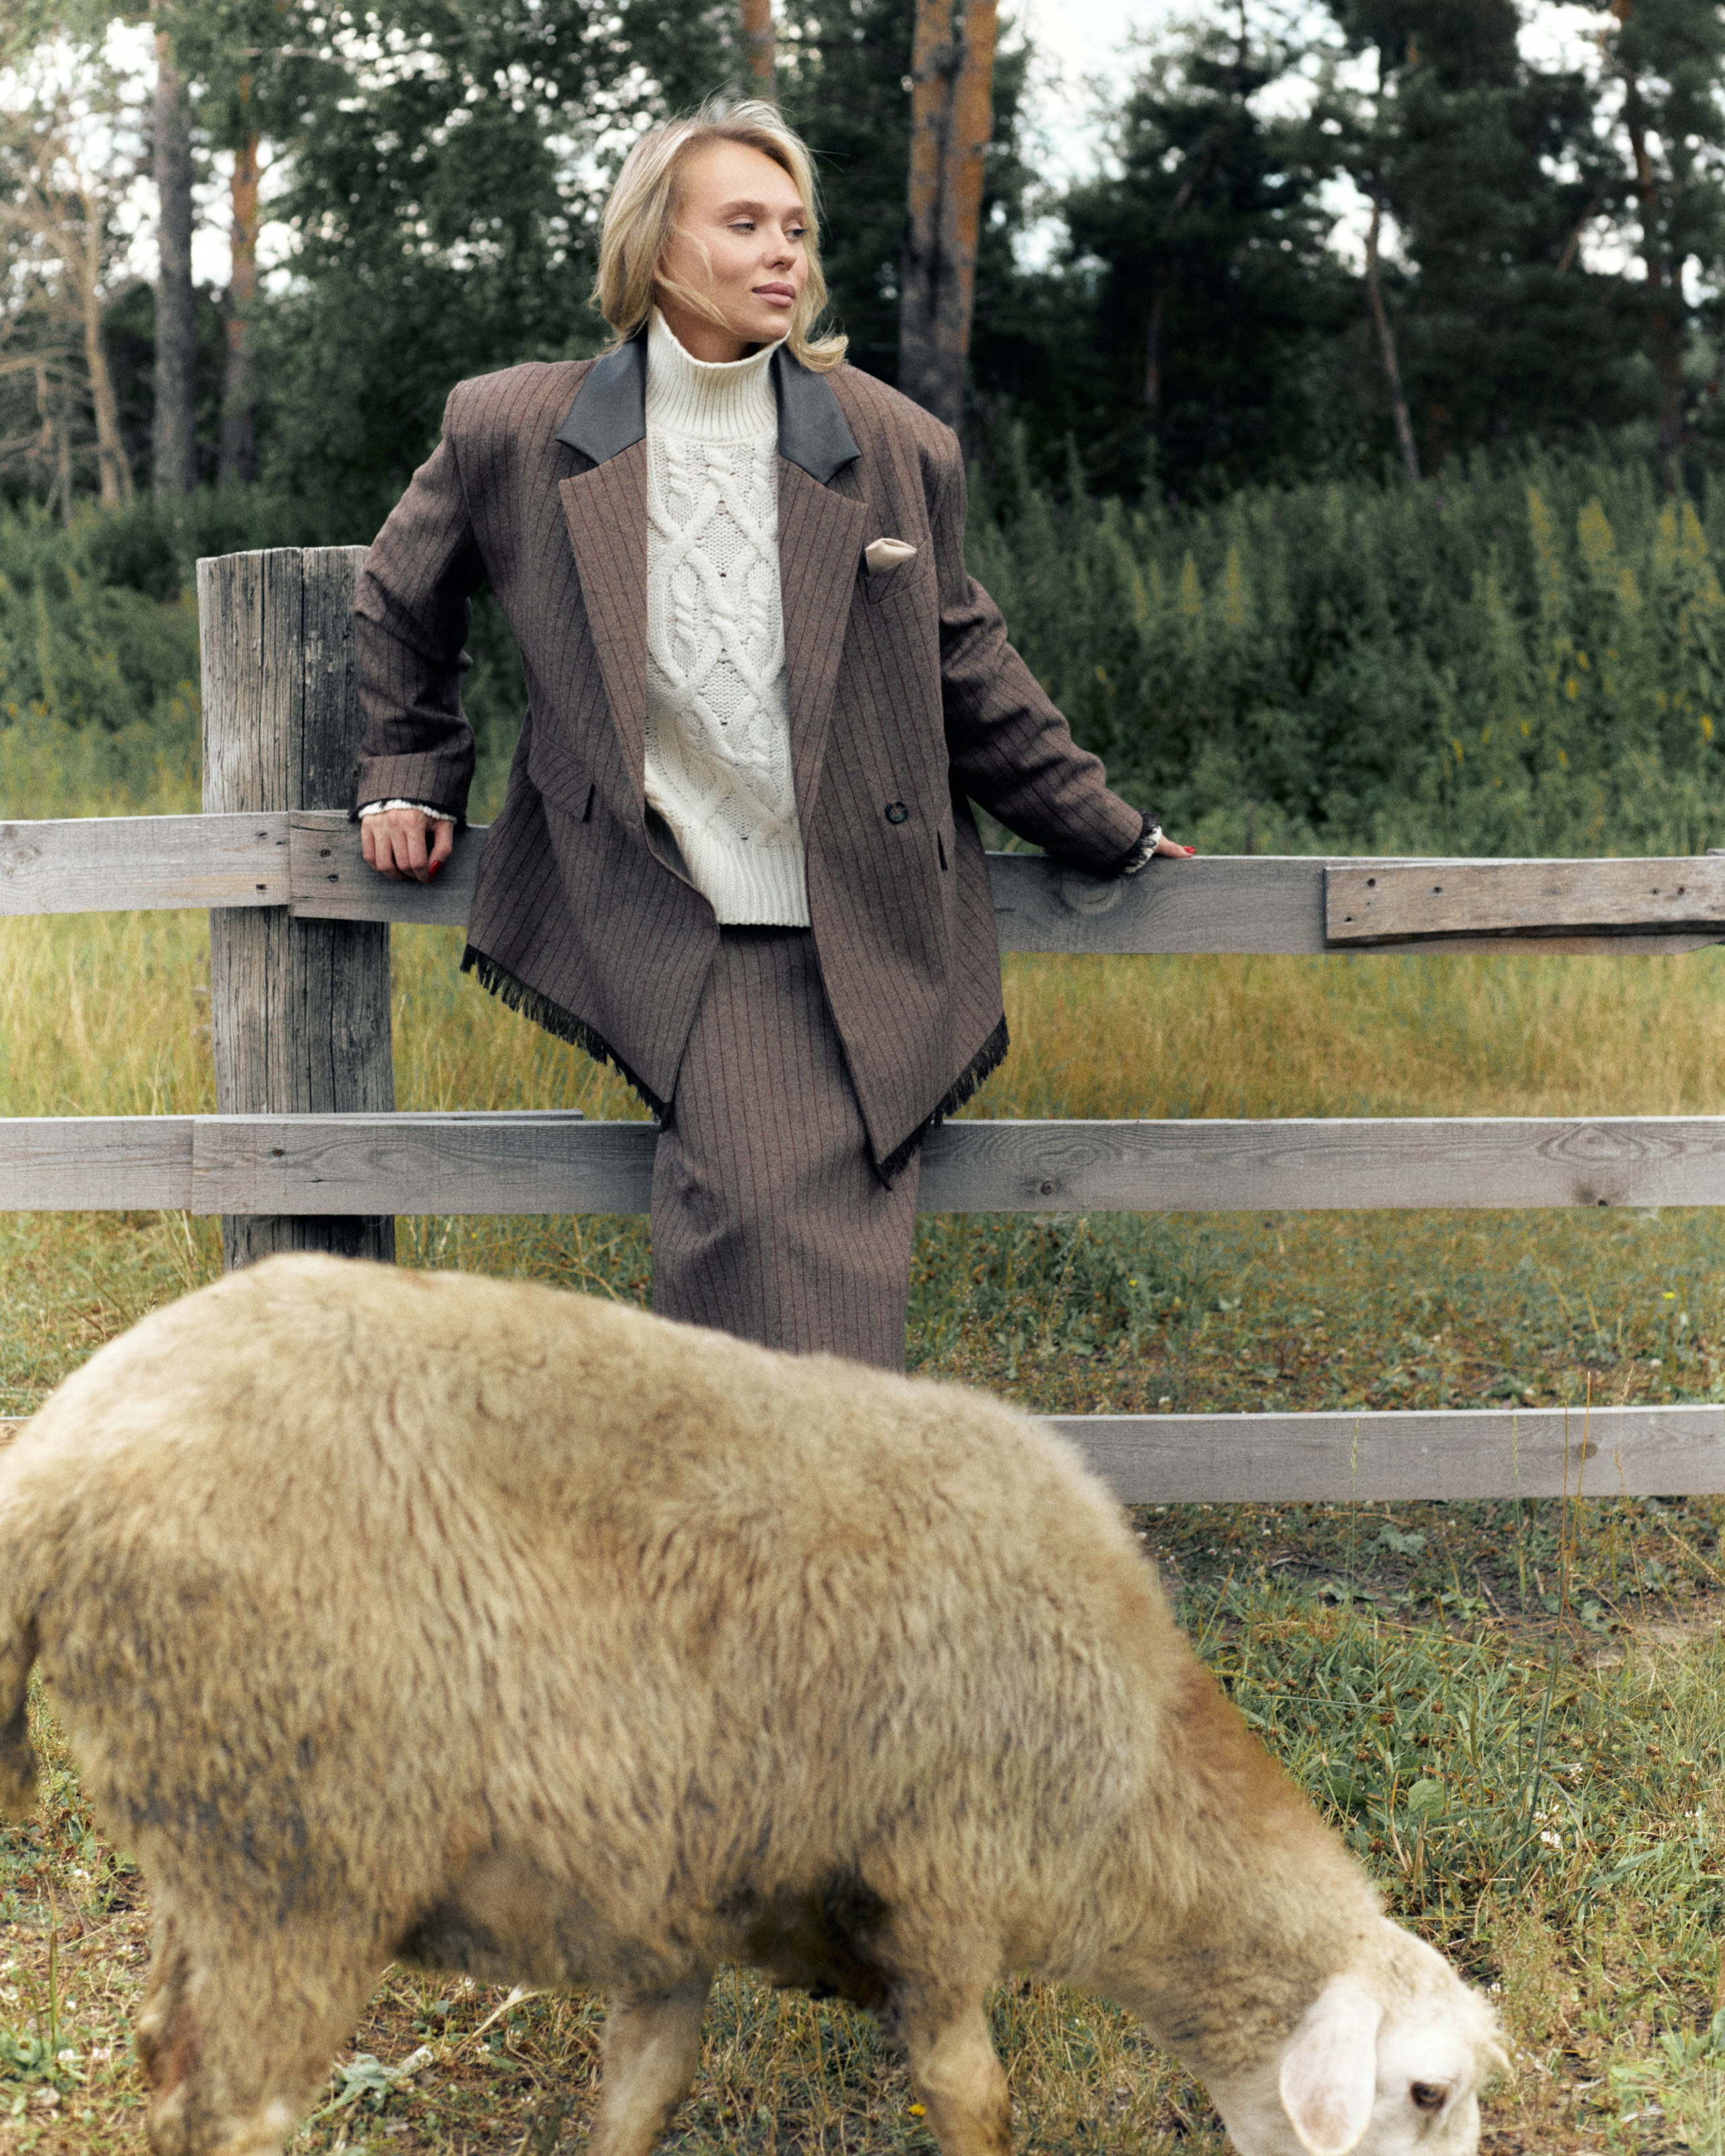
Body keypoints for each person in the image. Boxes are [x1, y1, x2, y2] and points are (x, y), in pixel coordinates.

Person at [352, 98, 1191, 1372]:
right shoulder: (514, 428)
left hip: (868, 903)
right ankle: (793, 1545)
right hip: (672, 904)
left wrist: (1105, 829)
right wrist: (408, 774)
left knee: (798, 1241)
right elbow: (400, 597)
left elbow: (962, 655)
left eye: (795, 226)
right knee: (752, 1214)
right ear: (657, 246)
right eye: (743, 223)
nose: (783, 253)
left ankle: (781, 1546)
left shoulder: (891, 439)